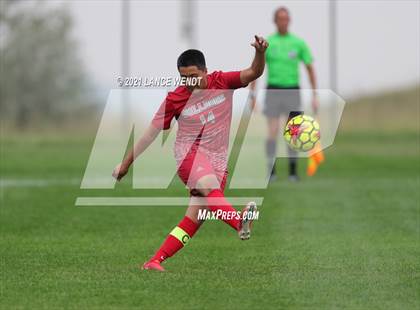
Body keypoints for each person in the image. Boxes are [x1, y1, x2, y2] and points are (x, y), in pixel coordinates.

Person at [112, 35, 268, 271]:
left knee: (193, 220)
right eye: (184, 77)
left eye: (194, 76)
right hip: (189, 155)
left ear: (205, 71)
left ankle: (154, 261)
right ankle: (239, 223)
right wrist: (126, 164)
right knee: (209, 187)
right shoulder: (175, 98)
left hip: (218, 161)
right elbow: (149, 134)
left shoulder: (222, 81)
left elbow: (253, 73)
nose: (189, 82)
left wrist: (260, 52)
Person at [250, 6, 319, 182]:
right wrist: (253, 96)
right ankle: (271, 171)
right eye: (280, 18)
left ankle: (293, 172)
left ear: (289, 21)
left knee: (293, 133)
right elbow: (256, 68)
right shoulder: (268, 42)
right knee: (272, 131)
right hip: (273, 90)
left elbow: (310, 68)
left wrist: (315, 95)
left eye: (286, 18)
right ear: (275, 21)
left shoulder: (298, 43)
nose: (283, 21)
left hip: (292, 91)